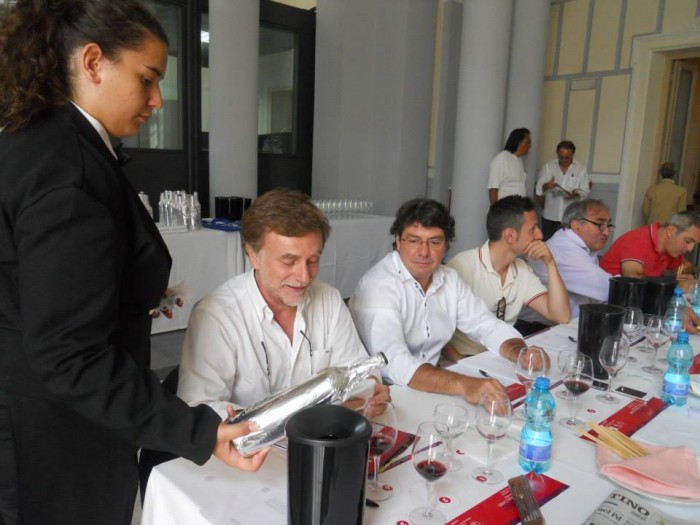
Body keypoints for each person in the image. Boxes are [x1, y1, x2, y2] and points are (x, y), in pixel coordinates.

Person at [0, 2, 266, 524]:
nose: (157, 100)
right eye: (147, 79)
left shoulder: (36, 142)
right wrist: (199, 431)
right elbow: (69, 355)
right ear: (93, 62)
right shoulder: (70, 169)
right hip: (56, 433)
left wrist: (124, 294)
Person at [177, 189, 390, 416]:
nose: (304, 277)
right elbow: (199, 407)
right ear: (253, 255)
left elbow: (357, 370)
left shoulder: (329, 299)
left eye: (313, 260)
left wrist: (369, 387)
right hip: (253, 440)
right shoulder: (217, 315)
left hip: (324, 431)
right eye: (289, 261)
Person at [349, 198, 543, 404]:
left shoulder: (449, 278)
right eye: (413, 241)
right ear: (398, 241)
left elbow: (485, 324)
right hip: (385, 394)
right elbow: (392, 362)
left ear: (446, 245)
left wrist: (520, 352)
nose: (424, 252)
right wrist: (463, 384)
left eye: (434, 242)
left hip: (433, 385)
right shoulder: (379, 285)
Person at [446, 196, 570, 352]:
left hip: (502, 356)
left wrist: (550, 263)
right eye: (533, 229)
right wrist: (458, 361)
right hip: (464, 360)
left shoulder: (522, 270)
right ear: (510, 236)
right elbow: (435, 329)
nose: (540, 235)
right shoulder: (462, 266)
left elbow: (561, 316)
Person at [529, 199, 615, 317]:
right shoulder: (564, 250)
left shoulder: (583, 247)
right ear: (576, 225)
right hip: (542, 325)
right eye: (600, 225)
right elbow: (607, 289)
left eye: (608, 225)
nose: (606, 232)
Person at [600, 211, 700, 286]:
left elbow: (689, 268)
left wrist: (690, 278)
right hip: (606, 299)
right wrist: (676, 284)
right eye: (688, 241)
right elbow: (635, 280)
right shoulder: (637, 239)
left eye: (694, 244)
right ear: (671, 231)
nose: (690, 249)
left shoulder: (671, 249)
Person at [535, 140, 590, 240]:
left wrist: (575, 194)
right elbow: (539, 189)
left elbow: (585, 191)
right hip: (550, 214)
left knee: (568, 243)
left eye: (567, 158)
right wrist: (547, 185)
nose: (563, 160)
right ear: (557, 153)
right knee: (547, 243)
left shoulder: (581, 169)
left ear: (573, 154)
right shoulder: (549, 167)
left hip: (570, 216)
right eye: (561, 157)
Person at [488, 128, 532, 204]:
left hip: (517, 208)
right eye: (528, 143)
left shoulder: (519, 160)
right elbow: (493, 188)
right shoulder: (502, 158)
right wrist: (496, 209)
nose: (530, 146)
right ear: (518, 142)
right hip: (504, 208)